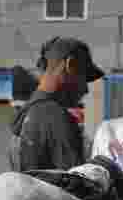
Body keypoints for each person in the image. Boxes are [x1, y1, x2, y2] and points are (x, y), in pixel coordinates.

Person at [9, 37, 105, 172]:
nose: (85, 89)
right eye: (83, 78)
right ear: (69, 65)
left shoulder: (23, 115)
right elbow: (78, 185)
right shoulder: (54, 117)